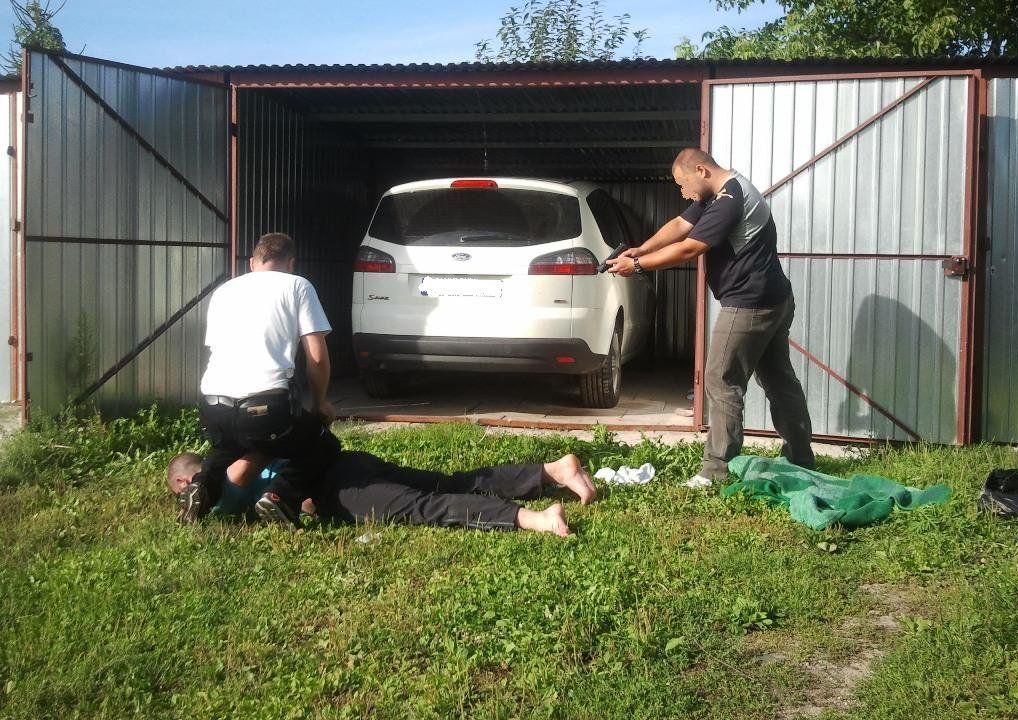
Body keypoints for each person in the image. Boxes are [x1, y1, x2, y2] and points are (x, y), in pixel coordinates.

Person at [606, 147, 815, 487]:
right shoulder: (719, 193)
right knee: (779, 380)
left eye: (683, 184)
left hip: (750, 304)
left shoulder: (730, 198)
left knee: (721, 379)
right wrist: (642, 248)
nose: (682, 192)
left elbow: (690, 247)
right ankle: (800, 458)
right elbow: (680, 224)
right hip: (773, 298)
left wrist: (638, 265)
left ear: (701, 171)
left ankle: (716, 471)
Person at [178, 232, 341, 527]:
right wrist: (319, 405)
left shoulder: (224, 291)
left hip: (214, 405)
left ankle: (202, 486)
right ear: (290, 264)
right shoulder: (298, 286)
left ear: (252, 263)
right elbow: (317, 358)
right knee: (322, 444)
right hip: (266, 410)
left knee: (228, 446)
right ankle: (280, 497)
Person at [167, 449, 598, 537]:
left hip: (343, 489)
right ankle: (551, 471)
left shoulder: (222, 494)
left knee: (425, 507)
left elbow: (209, 513)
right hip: (350, 462)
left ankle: (534, 518)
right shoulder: (245, 451)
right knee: (446, 482)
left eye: (178, 493)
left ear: (187, 485)